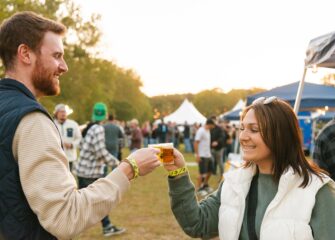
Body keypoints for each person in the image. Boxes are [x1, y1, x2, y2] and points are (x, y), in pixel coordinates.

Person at [0, 11, 160, 240]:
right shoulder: (31, 120)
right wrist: (129, 168)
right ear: (25, 53)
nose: (64, 67)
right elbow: (65, 217)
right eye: (56, 55)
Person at [164, 97, 335, 239]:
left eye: (254, 130)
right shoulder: (233, 182)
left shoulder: (316, 190)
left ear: (280, 135)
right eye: (242, 128)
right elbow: (197, 223)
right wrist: (177, 172)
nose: (243, 137)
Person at [76, 102, 125, 237]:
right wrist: (117, 163)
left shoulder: (89, 127)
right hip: (90, 172)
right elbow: (100, 152)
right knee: (100, 201)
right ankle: (107, 227)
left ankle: (106, 226)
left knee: (85, 203)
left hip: (83, 170)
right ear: (105, 114)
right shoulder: (97, 129)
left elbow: (80, 145)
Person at [53, 103, 81, 171]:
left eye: (64, 112)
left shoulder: (73, 124)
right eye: (61, 112)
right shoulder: (52, 124)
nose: (63, 114)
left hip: (70, 157)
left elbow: (79, 138)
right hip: (56, 157)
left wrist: (72, 145)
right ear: (56, 113)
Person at [194, 118, 215, 196]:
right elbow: (196, 143)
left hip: (208, 155)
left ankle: (205, 185)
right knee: (202, 173)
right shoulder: (201, 131)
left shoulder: (208, 130)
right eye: (213, 125)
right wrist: (197, 155)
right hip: (202, 155)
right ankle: (198, 189)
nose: (213, 126)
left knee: (210, 171)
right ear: (209, 124)